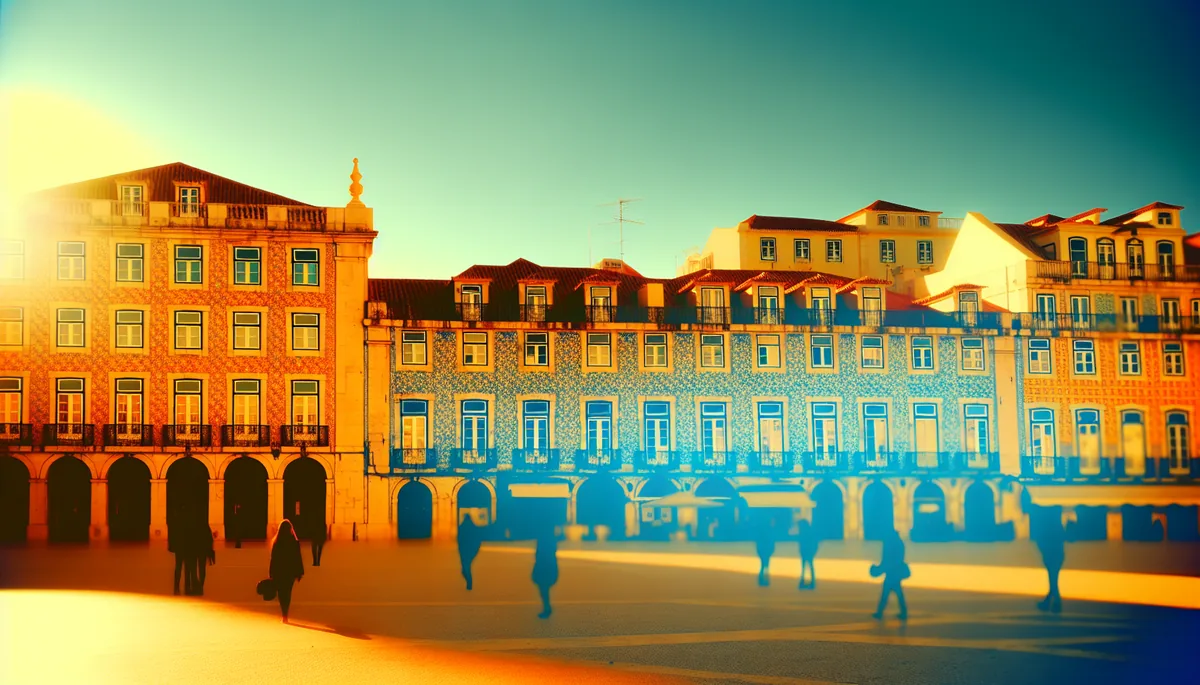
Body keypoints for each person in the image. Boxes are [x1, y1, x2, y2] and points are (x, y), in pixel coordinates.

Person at [269, 519, 305, 623]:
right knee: (287, 592)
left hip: (279, 572)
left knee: (281, 593)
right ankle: (286, 614)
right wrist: (299, 573)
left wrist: (271, 573)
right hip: (290, 573)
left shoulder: (276, 542)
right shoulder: (294, 542)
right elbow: (298, 558)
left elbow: (273, 559)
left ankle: (283, 614)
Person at [872, 529, 909, 621]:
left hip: (891, 573)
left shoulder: (889, 544)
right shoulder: (899, 543)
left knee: (886, 593)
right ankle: (903, 612)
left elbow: (886, 559)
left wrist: (879, 569)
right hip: (895, 572)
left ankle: (880, 613)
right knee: (898, 593)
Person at [1034, 507, 1065, 613]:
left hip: (1051, 553)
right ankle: (1049, 602)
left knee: (1053, 579)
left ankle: (1056, 602)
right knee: (1053, 578)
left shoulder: (1047, 527)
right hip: (1057, 553)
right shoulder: (1056, 526)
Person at [532, 527, 558, 619]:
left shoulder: (544, 539)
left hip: (544, 565)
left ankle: (547, 608)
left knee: (543, 588)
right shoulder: (550, 539)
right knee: (544, 588)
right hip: (547, 564)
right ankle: (546, 607)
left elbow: (539, 553)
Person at [169, 510, 192, 596]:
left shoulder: (177, 523)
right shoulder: (189, 524)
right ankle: (187, 587)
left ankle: (176, 587)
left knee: (178, 567)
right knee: (187, 568)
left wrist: (172, 547)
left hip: (179, 548)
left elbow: (173, 536)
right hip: (187, 548)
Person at [457, 514, 482, 590]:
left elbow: (459, 540)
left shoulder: (462, 527)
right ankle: (469, 583)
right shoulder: (473, 528)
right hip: (470, 551)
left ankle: (469, 584)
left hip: (465, 551)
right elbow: (478, 540)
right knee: (466, 567)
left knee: (465, 567)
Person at [754, 516, 776, 587]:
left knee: (763, 565)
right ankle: (765, 580)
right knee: (765, 565)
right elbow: (771, 541)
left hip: (762, 550)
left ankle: (761, 580)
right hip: (766, 550)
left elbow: (758, 541)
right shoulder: (770, 530)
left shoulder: (762, 531)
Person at [798, 519, 819, 590]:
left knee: (805, 566)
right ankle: (811, 582)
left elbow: (802, 543)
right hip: (808, 551)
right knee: (810, 566)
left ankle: (804, 581)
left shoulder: (804, 533)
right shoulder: (809, 532)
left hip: (806, 551)